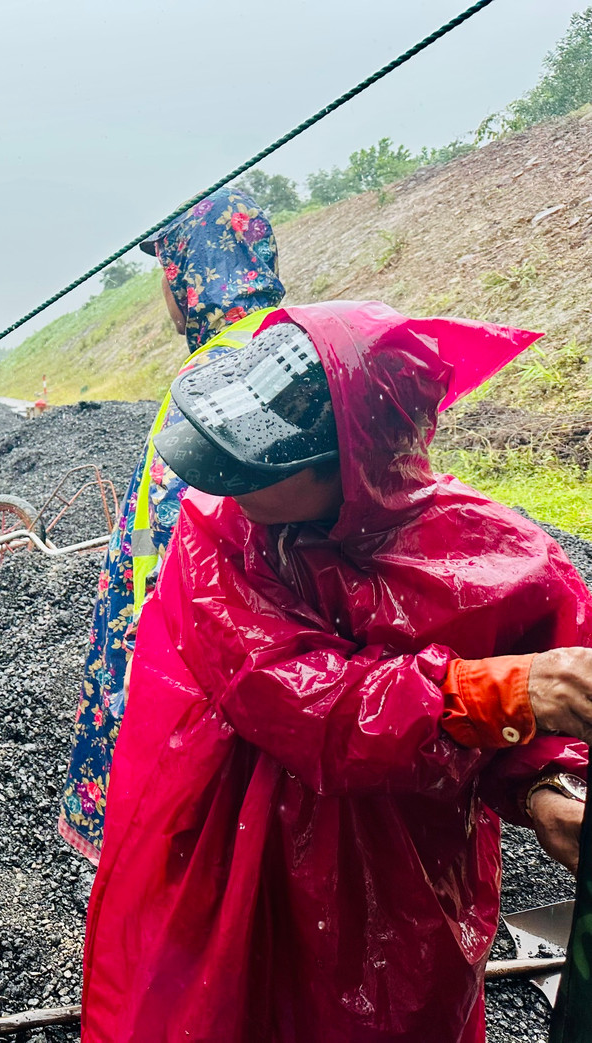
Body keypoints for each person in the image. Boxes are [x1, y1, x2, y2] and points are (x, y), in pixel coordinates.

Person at [81, 301, 592, 1041]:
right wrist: (504, 691)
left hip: (398, 869)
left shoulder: (493, 559)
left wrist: (546, 789)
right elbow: (298, 698)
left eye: (262, 460)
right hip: (229, 845)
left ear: (355, 464)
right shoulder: (215, 537)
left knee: (384, 1007)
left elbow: (540, 718)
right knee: (220, 1003)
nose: (229, 478)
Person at [59, 187, 285, 862]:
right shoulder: (273, 349)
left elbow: (182, 541)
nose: (166, 290)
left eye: (169, 269)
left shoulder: (221, 377)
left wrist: (143, 650)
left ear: (194, 272)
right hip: (227, 655)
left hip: (183, 659)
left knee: (175, 839)